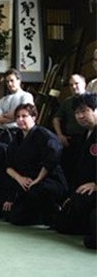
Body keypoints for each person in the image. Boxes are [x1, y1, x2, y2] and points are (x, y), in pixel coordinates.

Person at [4, 104, 68, 226]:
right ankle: (36, 214)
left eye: (24, 116)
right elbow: (8, 166)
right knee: (14, 217)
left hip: (49, 180)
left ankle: (54, 212)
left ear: (34, 117)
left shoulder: (44, 135)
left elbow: (52, 158)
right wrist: (20, 179)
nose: (20, 119)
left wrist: (38, 180)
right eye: (17, 117)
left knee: (37, 192)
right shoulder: (16, 138)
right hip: (27, 182)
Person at [54, 93, 96, 250]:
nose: (80, 116)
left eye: (84, 111)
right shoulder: (85, 134)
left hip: (93, 190)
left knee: (91, 241)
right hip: (83, 190)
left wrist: (96, 184)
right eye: (77, 113)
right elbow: (80, 171)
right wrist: (71, 195)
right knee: (62, 223)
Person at [52, 74, 87, 189]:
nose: (74, 87)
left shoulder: (91, 99)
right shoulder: (67, 102)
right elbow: (56, 118)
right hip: (71, 140)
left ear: (84, 84)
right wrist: (60, 135)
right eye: (71, 85)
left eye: (76, 83)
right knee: (69, 169)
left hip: (88, 139)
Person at [0, 68, 34, 144]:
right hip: (3, 134)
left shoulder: (26, 96)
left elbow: (24, 114)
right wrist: (14, 117)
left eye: (12, 80)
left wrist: (4, 116)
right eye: (7, 82)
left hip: (19, 133)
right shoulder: (2, 100)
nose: (9, 84)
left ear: (19, 80)